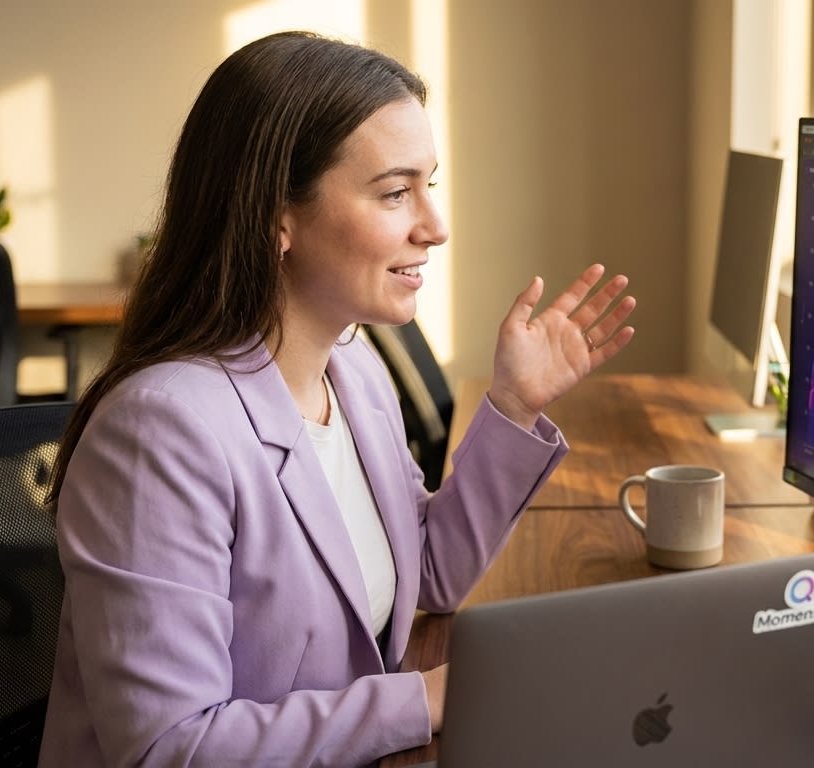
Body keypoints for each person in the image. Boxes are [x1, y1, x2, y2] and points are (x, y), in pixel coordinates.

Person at [38, 30, 635, 767]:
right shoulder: (159, 433)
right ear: (275, 219)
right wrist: (427, 699)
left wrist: (512, 405)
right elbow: (170, 748)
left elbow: (427, 573)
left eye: (430, 185)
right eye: (394, 192)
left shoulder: (352, 372)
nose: (435, 226)